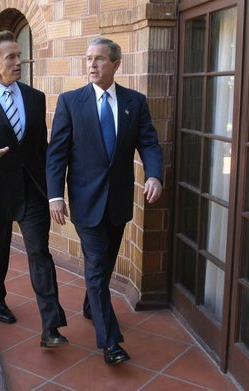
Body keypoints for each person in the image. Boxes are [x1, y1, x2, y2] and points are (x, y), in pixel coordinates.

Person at [46, 37, 163, 364]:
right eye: (88, 59)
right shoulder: (71, 102)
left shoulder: (134, 102)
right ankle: (110, 342)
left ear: (116, 64)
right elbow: (56, 155)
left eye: (99, 59)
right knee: (98, 267)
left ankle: (89, 305)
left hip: (118, 202)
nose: (92, 65)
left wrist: (154, 175)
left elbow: (150, 144)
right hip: (84, 202)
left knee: (105, 263)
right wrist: (55, 195)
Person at [0, 31, 67, 348]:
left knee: (39, 253)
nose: (19, 61)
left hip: (32, 189)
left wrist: (53, 191)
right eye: (11, 57)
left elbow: (42, 149)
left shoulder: (35, 98)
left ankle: (51, 326)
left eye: (20, 55)